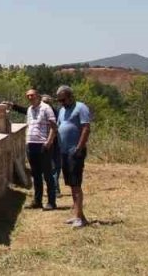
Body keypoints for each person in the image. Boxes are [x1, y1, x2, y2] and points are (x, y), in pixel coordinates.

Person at [56, 85, 92, 228]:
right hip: (64, 151)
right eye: (59, 101)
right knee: (71, 184)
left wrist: (78, 148)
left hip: (75, 151)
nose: (61, 103)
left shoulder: (81, 107)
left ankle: (79, 218)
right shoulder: (62, 110)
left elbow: (86, 128)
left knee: (76, 185)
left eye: (63, 100)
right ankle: (79, 215)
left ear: (71, 96)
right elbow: (59, 126)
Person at [25, 87, 58, 210]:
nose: (30, 97)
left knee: (47, 174)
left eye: (32, 95)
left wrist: (49, 142)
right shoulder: (29, 109)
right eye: (28, 96)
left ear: (37, 95)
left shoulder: (46, 108)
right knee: (36, 174)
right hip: (31, 144)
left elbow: (54, 126)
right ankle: (37, 201)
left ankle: (51, 202)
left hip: (43, 144)